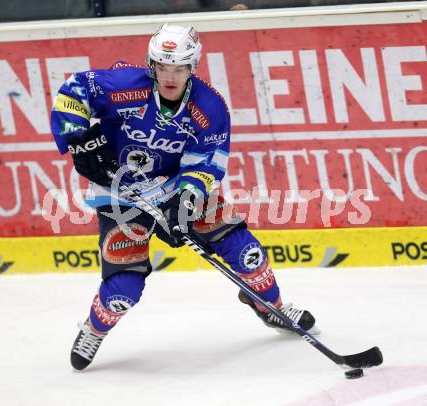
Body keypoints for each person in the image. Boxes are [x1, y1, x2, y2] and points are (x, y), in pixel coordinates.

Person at [50, 23, 318, 371]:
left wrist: (185, 201)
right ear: (152, 65)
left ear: (193, 67)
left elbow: (208, 162)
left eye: (179, 67)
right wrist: (80, 137)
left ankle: (272, 306)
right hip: (118, 194)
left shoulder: (209, 107)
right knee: (122, 291)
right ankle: (93, 329)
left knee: (246, 252)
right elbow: (73, 91)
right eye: (163, 67)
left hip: (174, 187)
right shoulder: (126, 87)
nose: (170, 76)